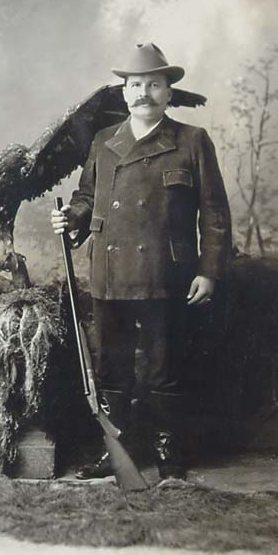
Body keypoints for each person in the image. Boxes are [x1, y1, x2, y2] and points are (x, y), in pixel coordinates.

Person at [51, 42, 232, 479]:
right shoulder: (103, 142)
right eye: (134, 85)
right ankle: (117, 447)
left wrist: (209, 271)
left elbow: (214, 213)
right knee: (110, 367)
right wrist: (70, 218)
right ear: (124, 92)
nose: (143, 94)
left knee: (161, 365)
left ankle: (166, 447)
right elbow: (87, 196)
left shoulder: (192, 141)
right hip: (109, 274)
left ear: (169, 93)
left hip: (165, 274)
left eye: (153, 85)